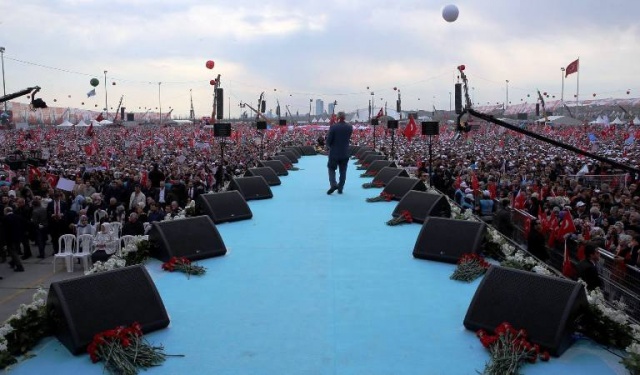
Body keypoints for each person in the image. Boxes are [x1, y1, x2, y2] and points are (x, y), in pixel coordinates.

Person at [325, 111, 353, 195]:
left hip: (334, 153)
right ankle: (340, 188)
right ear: (344, 117)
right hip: (345, 152)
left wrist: (328, 145)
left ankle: (333, 184)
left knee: (331, 168)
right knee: (343, 171)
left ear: (337, 117)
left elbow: (329, 140)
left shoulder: (333, 127)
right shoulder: (349, 127)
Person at [2, 207, 26, 272]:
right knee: (15, 250)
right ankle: (12, 262)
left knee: (13, 252)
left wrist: (4, 241)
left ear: (6, 211)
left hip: (10, 238)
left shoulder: (5, 219)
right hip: (18, 237)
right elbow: (24, 223)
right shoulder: (18, 216)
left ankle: (19, 266)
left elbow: (5, 231)